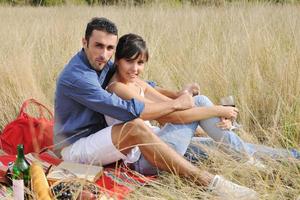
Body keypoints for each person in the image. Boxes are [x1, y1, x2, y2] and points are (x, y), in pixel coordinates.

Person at [54, 17, 258, 199]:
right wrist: (178, 103)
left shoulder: (104, 62)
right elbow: (127, 109)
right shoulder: (78, 77)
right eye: (98, 45)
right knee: (135, 126)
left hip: (108, 137)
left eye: (109, 48)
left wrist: (179, 93)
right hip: (77, 148)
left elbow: (142, 84)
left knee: (209, 144)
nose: (104, 53)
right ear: (84, 42)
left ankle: (281, 157)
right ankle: (210, 183)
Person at [105, 33, 300, 168]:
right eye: (129, 61)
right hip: (147, 159)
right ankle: (247, 158)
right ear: (117, 60)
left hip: (162, 142)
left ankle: (293, 156)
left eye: (140, 63)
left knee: (223, 146)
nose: (135, 68)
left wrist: (187, 94)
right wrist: (218, 111)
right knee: (202, 103)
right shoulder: (118, 88)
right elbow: (174, 116)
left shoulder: (137, 81)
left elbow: (172, 107)